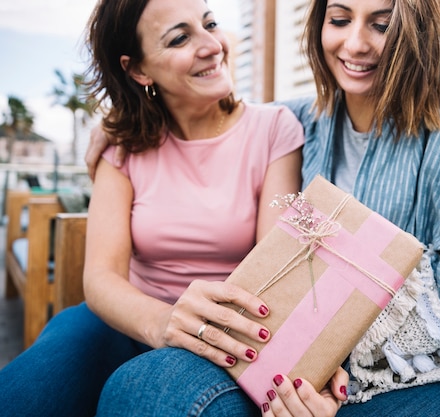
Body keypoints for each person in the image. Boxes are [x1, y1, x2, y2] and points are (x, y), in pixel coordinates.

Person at [87, 0, 440, 416]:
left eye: (381, 24)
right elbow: (229, 120)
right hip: (316, 365)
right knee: (142, 387)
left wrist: (325, 351)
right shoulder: (310, 118)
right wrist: (116, 121)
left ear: (419, 29)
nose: (355, 44)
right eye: (339, 20)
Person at [0, 0, 309, 415]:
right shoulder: (122, 145)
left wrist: (196, 332)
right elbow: (101, 278)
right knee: (22, 394)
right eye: (180, 38)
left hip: (220, 338)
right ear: (138, 70)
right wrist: (164, 322)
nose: (212, 45)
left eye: (210, 24)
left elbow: (275, 271)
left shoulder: (275, 129)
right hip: (122, 321)